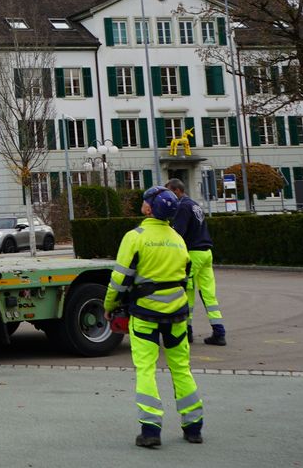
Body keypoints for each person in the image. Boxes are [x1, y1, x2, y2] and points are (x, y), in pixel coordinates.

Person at [105, 186, 205, 447]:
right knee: (181, 368)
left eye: (145, 201)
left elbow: (120, 279)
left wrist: (109, 305)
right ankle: (193, 427)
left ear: (149, 208)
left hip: (145, 313)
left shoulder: (135, 237)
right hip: (177, 314)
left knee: (146, 369)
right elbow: (187, 278)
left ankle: (150, 431)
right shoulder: (177, 239)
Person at [166, 177, 225, 345]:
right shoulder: (194, 204)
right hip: (206, 252)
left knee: (187, 294)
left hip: (193, 254)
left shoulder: (183, 206)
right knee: (208, 295)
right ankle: (219, 332)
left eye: (170, 192)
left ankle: (187, 332)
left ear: (177, 190)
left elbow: (178, 233)